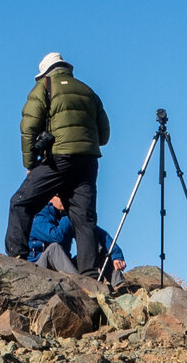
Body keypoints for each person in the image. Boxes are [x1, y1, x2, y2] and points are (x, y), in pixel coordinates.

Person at [6, 53, 110, 275]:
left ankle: (17, 261)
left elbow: (28, 128)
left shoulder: (45, 87)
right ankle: (89, 276)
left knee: (20, 203)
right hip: (88, 161)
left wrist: (31, 163)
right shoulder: (89, 91)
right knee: (84, 218)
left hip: (58, 159)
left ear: (45, 72)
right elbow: (104, 136)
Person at [26, 193, 125, 277]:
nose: (66, 200)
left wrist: (116, 254)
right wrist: (69, 214)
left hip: (64, 267)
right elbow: (56, 237)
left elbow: (96, 233)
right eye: (62, 197)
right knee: (54, 248)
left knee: (98, 248)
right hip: (38, 268)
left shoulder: (66, 216)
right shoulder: (39, 217)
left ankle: (120, 287)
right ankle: (81, 283)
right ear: (51, 198)